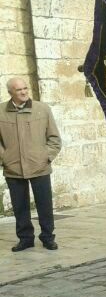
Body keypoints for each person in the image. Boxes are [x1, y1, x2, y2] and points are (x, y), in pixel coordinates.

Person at [0, 77, 61, 251]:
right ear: (10, 92)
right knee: (20, 206)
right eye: (19, 90)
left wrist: (46, 157)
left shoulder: (42, 109)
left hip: (39, 166)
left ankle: (48, 237)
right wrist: (4, 159)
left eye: (25, 88)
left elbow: (54, 138)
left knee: (44, 205)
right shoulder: (1, 111)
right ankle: (25, 239)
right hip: (13, 167)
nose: (24, 92)